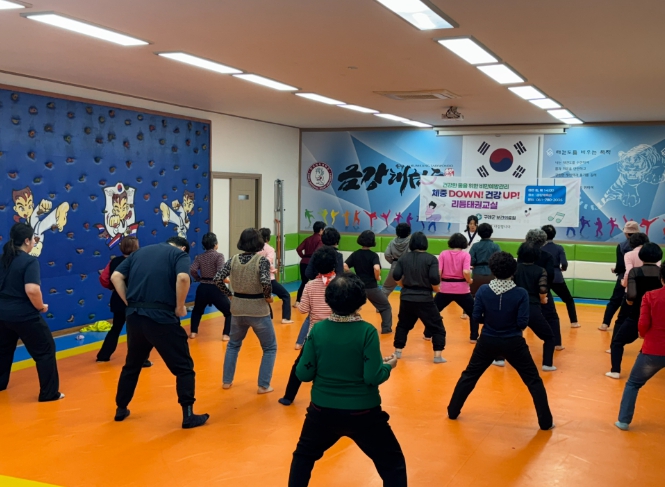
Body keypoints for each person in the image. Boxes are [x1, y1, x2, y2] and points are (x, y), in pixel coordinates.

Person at [288, 273, 406, 487]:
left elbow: (303, 374)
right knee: (393, 464)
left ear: (328, 299)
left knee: (303, 457)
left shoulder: (318, 330)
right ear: (361, 301)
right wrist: (388, 366)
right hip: (363, 413)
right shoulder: (367, 332)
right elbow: (372, 376)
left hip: (322, 412)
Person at [447, 252, 555, 431]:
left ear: (492, 269)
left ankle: (452, 411)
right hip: (514, 342)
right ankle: (545, 422)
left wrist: (490, 321)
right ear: (514, 270)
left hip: (487, 340)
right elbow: (522, 322)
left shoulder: (483, 290)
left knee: (469, 375)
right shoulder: (521, 293)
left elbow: (476, 317)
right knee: (533, 381)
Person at [111, 236, 209, 428]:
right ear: (183, 248)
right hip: (161, 317)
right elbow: (183, 278)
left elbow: (116, 276)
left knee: (132, 365)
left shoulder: (139, 253)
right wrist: (180, 306)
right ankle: (188, 415)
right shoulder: (178, 254)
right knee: (184, 367)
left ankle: (121, 408)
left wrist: (128, 302)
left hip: (135, 317)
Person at [0, 223, 63, 402]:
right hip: (23, 315)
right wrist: (40, 307)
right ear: (27, 241)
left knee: (3, 350)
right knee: (45, 350)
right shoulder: (29, 261)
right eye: (34, 238)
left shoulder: (2, 259)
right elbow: (32, 290)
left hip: (2, 314)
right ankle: (49, 394)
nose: (35, 241)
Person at [215, 228, 276, 394]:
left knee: (233, 345)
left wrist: (229, 294)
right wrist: (268, 297)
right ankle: (263, 385)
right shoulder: (262, 261)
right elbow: (266, 282)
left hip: (237, 308)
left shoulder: (233, 259)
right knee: (269, 347)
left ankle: (227, 381)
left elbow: (218, 278)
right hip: (258, 309)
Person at [279, 246, 337, 406]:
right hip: (337, 333)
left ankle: (288, 397)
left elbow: (303, 309)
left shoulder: (310, 285)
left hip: (314, 334)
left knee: (299, 365)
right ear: (334, 264)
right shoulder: (341, 283)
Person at [615, 265, 665, 430]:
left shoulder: (650, 296)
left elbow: (643, 323)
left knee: (633, 384)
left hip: (654, 349)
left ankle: (623, 421)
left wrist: (642, 333)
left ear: (661, 279)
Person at [606, 243, 663, 379]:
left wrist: (629, 302)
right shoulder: (662, 272)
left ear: (641, 256)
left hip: (638, 315)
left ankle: (615, 371)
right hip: (659, 317)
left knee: (617, 342)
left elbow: (631, 295)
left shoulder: (635, 272)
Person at [392, 232, 447, 363]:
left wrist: (404, 286)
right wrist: (436, 289)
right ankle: (437, 356)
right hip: (424, 298)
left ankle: (397, 351)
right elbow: (434, 278)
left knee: (403, 325)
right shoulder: (431, 259)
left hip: (406, 297)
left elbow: (396, 276)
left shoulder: (404, 258)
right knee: (437, 327)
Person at [97, 236, 151, 365]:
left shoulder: (114, 261)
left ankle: (103, 355)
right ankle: (140, 360)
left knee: (116, 328)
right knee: (137, 331)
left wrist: (114, 288)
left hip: (117, 299)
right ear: (136, 247)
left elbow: (104, 279)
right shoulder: (139, 261)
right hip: (135, 300)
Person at [295, 227, 344, 349]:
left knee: (312, 315)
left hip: (316, 289)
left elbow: (308, 273)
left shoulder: (317, 254)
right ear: (337, 241)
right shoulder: (337, 255)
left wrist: (318, 278)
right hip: (333, 290)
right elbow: (340, 275)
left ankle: (299, 342)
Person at [512, 243, 557, 371]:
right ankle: (547, 364)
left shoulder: (515, 269)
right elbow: (543, 290)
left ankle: (499, 359)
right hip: (532, 308)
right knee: (549, 337)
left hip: (515, 307)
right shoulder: (540, 270)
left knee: (507, 333)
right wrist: (543, 299)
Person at [344, 231, 392, 334]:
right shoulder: (373, 255)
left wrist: (353, 276)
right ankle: (386, 329)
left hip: (358, 287)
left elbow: (345, 265)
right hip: (371, 287)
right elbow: (376, 268)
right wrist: (377, 277)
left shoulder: (355, 254)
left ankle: (347, 326)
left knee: (352, 308)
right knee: (385, 307)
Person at [432, 233, 478, 342]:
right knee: (473, 313)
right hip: (462, 290)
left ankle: (428, 334)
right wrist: (469, 280)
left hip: (445, 288)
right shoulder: (465, 255)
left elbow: (439, 271)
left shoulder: (443, 253)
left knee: (433, 311)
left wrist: (439, 283)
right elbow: (466, 271)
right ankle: (474, 337)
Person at [524, 229, 563, 351]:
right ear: (543, 240)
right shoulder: (547, 256)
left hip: (525, 290)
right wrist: (545, 290)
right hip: (543, 288)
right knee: (551, 316)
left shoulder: (523, 254)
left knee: (517, 315)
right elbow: (550, 275)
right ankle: (557, 343)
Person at [189, 232, 233, 339]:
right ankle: (226, 335)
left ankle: (193, 333)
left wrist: (198, 278)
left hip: (203, 288)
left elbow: (193, 269)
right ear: (215, 244)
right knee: (229, 312)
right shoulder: (219, 256)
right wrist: (227, 280)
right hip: (216, 288)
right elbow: (220, 272)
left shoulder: (200, 257)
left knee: (197, 311)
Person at [600, 221, 639, 331]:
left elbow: (621, 266)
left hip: (624, 278)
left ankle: (605, 324)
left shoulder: (622, 246)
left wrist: (616, 270)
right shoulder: (645, 247)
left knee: (615, 301)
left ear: (626, 233)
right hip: (641, 278)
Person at [541, 225, 579, 328]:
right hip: (557, 276)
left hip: (543, 277)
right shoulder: (559, 248)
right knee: (568, 299)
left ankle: (539, 321)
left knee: (541, 299)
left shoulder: (539, 248)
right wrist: (563, 269)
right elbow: (564, 263)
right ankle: (574, 322)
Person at [258, 228, 294, 324]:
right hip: (269, 279)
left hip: (257, 278)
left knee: (263, 297)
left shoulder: (254, 248)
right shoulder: (269, 249)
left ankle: (269, 317)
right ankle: (286, 318)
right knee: (285, 295)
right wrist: (273, 269)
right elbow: (267, 262)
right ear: (267, 238)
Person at [295, 221, 325, 306]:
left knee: (304, 282)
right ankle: (314, 303)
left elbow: (298, 249)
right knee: (316, 283)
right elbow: (317, 252)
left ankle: (298, 301)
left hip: (303, 262)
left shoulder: (308, 239)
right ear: (321, 230)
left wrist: (304, 257)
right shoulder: (320, 240)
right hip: (313, 263)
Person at [469, 222, 500, 296]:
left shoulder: (475, 246)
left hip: (477, 275)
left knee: (475, 296)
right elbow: (499, 261)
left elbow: (471, 260)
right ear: (491, 233)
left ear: (479, 233)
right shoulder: (495, 246)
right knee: (491, 296)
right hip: (491, 275)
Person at [382, 223, 411, 299]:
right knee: (409, 288)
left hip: (395, 265)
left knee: (386, 288)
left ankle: (381, 305)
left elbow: (387, 254)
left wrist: (393, 262)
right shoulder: (410, 242)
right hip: (408, 266)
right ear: (409, 232)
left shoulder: (392, 242)